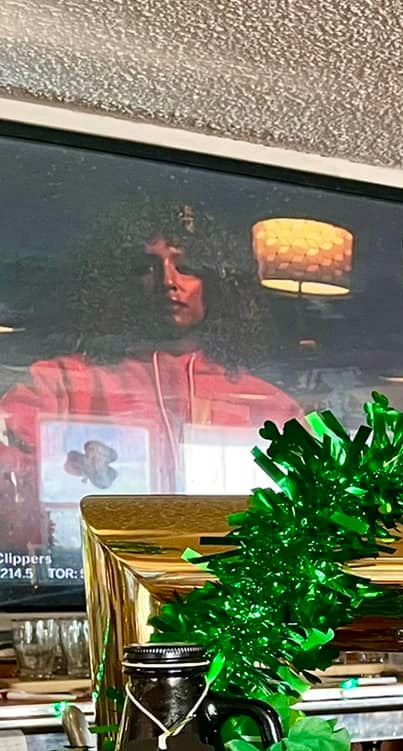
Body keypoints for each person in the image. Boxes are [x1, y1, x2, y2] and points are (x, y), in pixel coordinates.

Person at [0, 201, 300, 558]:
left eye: (186, 267)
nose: (168, 282)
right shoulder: (58, 385)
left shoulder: (270, 406)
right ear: (117, 283)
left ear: (218, 283)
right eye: (145, 268)